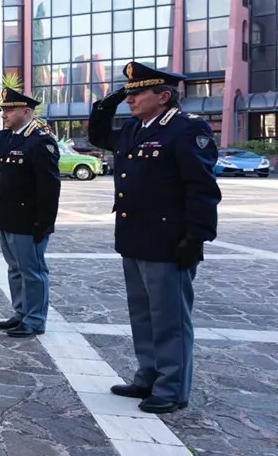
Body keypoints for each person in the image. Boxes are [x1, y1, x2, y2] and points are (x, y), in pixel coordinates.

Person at [89, 61, 221, 414]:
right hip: (134, 236)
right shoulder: (134, 128)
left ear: (163, 96)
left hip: (168, 241)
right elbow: (98, 136)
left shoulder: (186, 129)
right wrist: (107, 103)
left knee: (170, 319)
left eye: (138, 93)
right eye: (128, 94)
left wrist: (196, 238)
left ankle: (172, 388)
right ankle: (147, 376)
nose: (130, 100)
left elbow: (201, 188)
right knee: (143, 315)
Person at [0, 88, 61, 338]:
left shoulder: (40, 141)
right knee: (15, 268)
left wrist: (45, 223)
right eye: (3, 110)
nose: (4, 115)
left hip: (28, 220)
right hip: (5, 215)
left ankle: (35, 319)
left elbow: (49, 187)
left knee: (32, 271)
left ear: (26, 112)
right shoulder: (5, 137)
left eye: (10, 110)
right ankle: (21, 313)